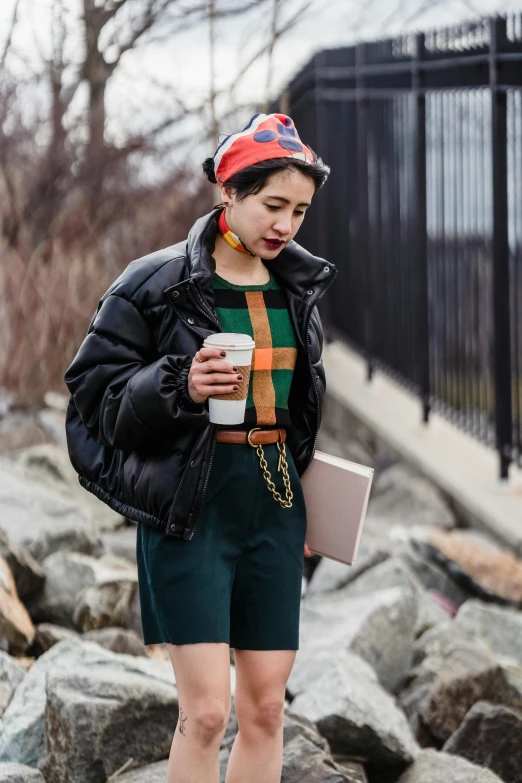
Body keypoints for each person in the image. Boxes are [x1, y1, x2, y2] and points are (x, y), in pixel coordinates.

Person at [63, 111, 337, 783]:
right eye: (273, 205)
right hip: (192, 508)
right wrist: (179, 382)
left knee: (267, 704)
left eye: (299, 211)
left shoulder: (297, 290)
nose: (286, 224)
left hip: (274, 507)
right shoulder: (156, 283)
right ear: (228, 191)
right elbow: (92, 402)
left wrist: (308, 506)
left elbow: (299, 410)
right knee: (207, 711)